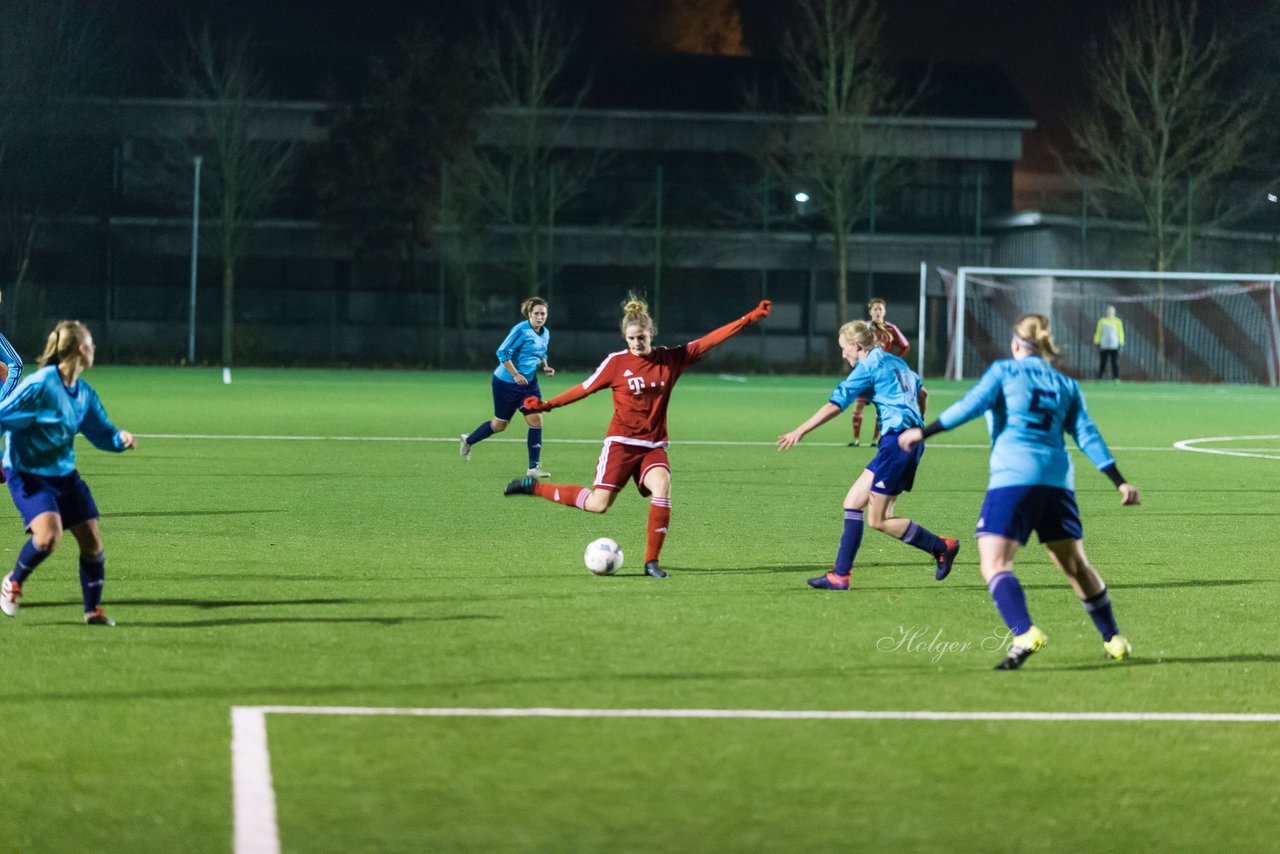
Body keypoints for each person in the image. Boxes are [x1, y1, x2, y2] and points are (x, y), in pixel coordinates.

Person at [898, 313, 1140, 670]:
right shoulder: (1065, 384)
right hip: (1058, 483)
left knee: (995, 563)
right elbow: (1087, 434)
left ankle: (1024, 632)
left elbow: (970, 406)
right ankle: (1114, 638)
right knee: (1075, 565)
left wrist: (925, 431)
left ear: (1015, 344)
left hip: (1014, 477)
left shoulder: (1004, 372)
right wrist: (1119, 480)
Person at [503, 294, 771, 578]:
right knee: (598, 504)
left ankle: (651, 562)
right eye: (631, 338)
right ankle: (534, 487)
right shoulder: (616, 363)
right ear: (625, 337)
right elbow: (584, 388)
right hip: (621, 443)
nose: (636, 343)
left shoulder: (670, 359)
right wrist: (547, 405)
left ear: (651, 333)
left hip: (652, 446)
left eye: (641, 337)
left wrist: (749, 319)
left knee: (663, 486)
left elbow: (710, 340)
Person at [778, 320, 959, 590]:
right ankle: (840, 575)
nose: (842, 354)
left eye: (843, 349)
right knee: (852, 502)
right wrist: (918, 421)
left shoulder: (868, 366)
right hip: (903, 441)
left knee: (879, 520)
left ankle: (941, 546)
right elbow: (922, 393)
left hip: (897, 443)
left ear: (856, 345)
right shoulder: (897, 362)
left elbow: (836, 404)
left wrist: (800, 431)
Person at [0, 321, 137, 626]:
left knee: (91, 539)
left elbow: (101, 431)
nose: (94, 349)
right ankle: (13, 582)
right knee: (49, 536)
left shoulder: (83, 393)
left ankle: (93, 611)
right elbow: (3, 415)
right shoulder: (41, 385)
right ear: (79, 349)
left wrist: (119, 439)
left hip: (63, 475)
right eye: (90, 343)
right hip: (28, 473)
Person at [460, 297, 556, 477]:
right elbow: (502, 352)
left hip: (529, 385)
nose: (540, 317)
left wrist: (545, 365)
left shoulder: (546, 333)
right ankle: (468, 440)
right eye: (536, 313)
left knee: (536, 420)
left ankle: (533, 468)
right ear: (529, 314)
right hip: (506, 383)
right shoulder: (521, 330)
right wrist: (515, 374)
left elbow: (541, 352)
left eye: (543, 313)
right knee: (499, 425)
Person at [850, 298, 910, 447]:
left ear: (884, 311)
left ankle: (875, 440)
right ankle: (856, 440)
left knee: (881, 408)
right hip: (865, 372)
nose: (877, 312)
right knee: (858, 405)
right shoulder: (864, 328)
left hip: (883, 374)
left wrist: (893, 361)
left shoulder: (891, 328)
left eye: (880, 309)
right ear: (870, 312)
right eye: (875, 309)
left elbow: (905, 346)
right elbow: (853, 345)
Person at [1093, 305, 1124, 381]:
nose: (1110, 313)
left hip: (1114, 346)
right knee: (1102, 362)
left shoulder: (1118, 321)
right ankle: (1099, 377)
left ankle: (1116, 378)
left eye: (1112, 311)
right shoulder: (1102, 321)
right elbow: (1099, 332)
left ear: (1114, 312)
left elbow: (1120, 333)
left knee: (1115, 362)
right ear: (1107, 312)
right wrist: (1097, 342)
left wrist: (1121, 342)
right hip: (1104, 345)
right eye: (1109, 311)